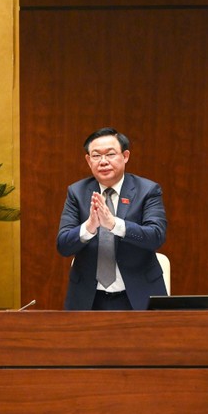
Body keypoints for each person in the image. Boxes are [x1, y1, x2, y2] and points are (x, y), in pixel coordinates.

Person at [57, 127, 167, 310]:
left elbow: (156, 236)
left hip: (138, 296)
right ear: (88, 160)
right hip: (88, 298)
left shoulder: (147, 190)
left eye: (110, 154)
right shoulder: (76, 192)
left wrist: (115, 224)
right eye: (96, 156)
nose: (103, 162)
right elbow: (63, 245)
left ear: (125, 156)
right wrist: (89, 227)